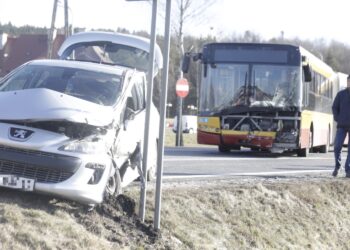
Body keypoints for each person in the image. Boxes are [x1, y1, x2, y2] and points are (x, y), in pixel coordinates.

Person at [332, 75, 350, 177]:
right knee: (337, 146)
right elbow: (334, 107)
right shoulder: (341, 94)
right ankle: (337, 167)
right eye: (349, 81)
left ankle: (348, 169)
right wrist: (337, 118)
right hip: (341, 125)